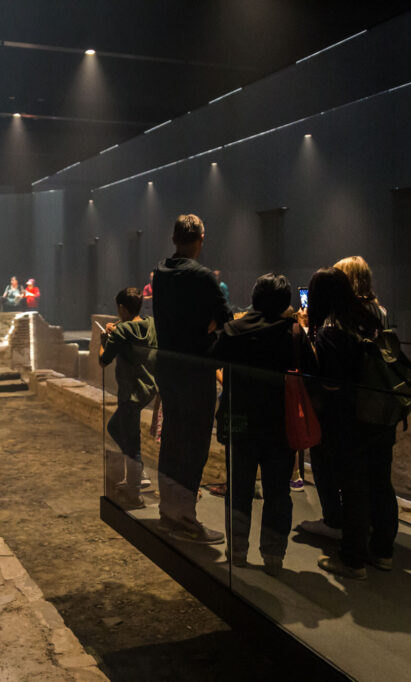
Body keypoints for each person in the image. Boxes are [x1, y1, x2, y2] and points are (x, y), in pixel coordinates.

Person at [212, 273, 311, 574]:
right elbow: (314, 371)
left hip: (239, 419)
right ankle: (273, 556)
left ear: (255, 297)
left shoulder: (234, 330)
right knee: (278, 492)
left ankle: (238, 551)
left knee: (239, 489)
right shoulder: (293, 333)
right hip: (279, 424)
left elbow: (212, 358)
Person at [308, 267, 396, 580]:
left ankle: (353, 560)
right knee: (381, 483)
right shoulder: (369, 318)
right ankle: (383, 552)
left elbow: (332, 384)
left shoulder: (332, 328)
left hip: (350, 420)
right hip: (381, 413)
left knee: (354, 487)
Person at [152, 214, 232, 544]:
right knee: (195, 445)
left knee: (172, 440)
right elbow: (226, 322)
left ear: (174, 239)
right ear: (200, 238)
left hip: (168, 368)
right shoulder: (202, 277)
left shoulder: (160, 272)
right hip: (196, 372)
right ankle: (185, 518)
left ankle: (169, 510)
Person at [99, 287, 158, 510]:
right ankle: (137, 474)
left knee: (133, 444)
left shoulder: (122, 331)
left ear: (122, 308)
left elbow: (104, 360)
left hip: (130, 393)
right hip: (147, 388)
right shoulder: (151, 324)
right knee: (114, 427)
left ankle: (135, 491)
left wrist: (104, 339)